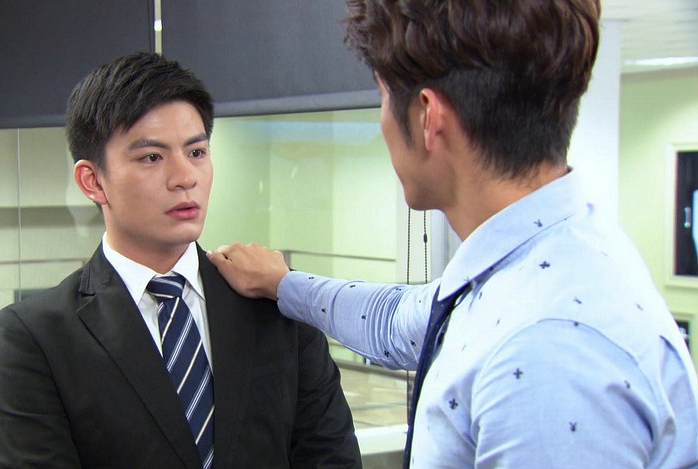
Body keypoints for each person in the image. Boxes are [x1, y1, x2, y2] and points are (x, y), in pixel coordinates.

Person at [207, 0, 698, 467]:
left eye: (383, 97)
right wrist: (282, 284)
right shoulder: (540, 260)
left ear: (427, 117)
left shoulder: (547, 355)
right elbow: (400, 321)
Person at [0, 51, 361, 469]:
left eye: (197, 152)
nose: (185, 177)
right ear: (92, 181)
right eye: (152, 157)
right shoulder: (37, 335)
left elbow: (331, 456)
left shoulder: (275, 302)